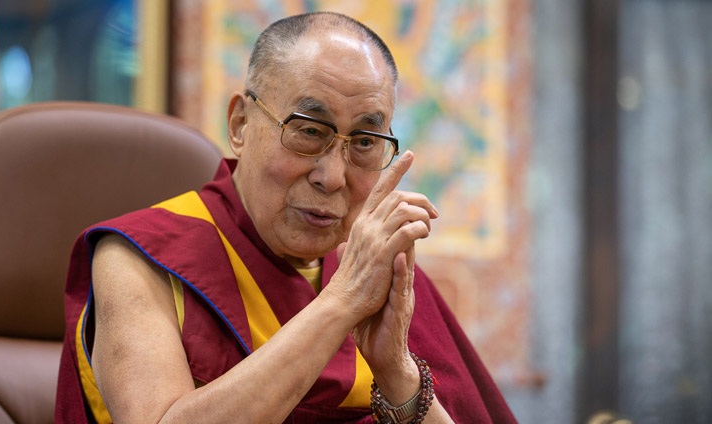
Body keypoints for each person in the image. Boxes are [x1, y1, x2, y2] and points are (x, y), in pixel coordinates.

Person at [56, 11, 516, 423]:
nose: (333, 176)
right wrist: (339, 305)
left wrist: (397, 373)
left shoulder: (377, 273)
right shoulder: (140, 258)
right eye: (309, 131)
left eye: (364, 142)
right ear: (239, 125)